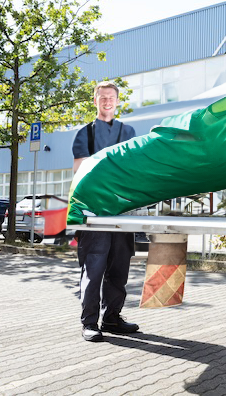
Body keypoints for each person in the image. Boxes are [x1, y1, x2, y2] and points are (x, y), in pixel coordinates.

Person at [72, 80, 139, 342]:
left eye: (111, 97)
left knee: (119, 268)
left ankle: (112, 317)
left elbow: (134, 170)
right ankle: (89, 322)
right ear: (95, 101)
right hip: (95, 212)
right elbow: (79, 173)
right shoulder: (84, 134)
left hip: (122, 211)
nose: (107, 101)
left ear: (118, 101)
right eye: (103, 98)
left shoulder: (129, 131)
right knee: (94, 268)